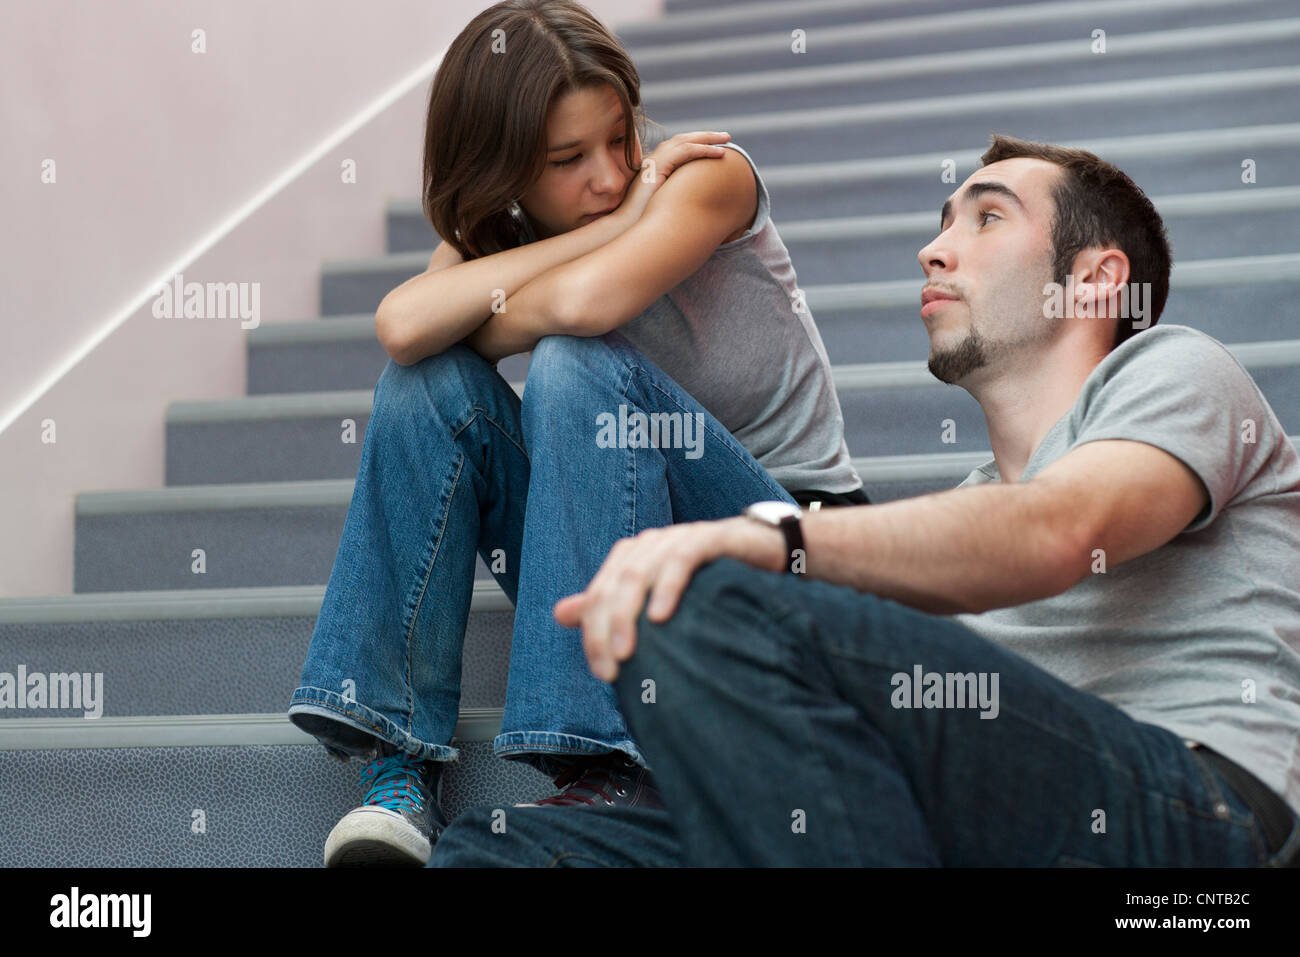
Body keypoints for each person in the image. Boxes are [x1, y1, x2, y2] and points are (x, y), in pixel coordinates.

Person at [430, 133, 1300, 867]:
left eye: (988, 217)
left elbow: (1066, 526)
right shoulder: (964, 506)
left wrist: (779, 541)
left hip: (1187, 824)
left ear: (1097, 278)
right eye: (942, 222)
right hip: (957, 820)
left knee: (719, 603)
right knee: (493, 853)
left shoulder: (1177, 369)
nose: (934, 248)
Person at [286, 0, 867, 867]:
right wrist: (593, 233)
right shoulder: (527, 226)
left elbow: (587, 306)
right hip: (630, 546)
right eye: (567, 160)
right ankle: (399, 764)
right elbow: (405, 327)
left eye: (619, 138)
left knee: (570, 361)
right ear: (507, 172)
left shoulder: (707, 175)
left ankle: (608, 762)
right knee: (429, 385)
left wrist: (615, 227)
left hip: (786, 548)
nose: (608, 175)